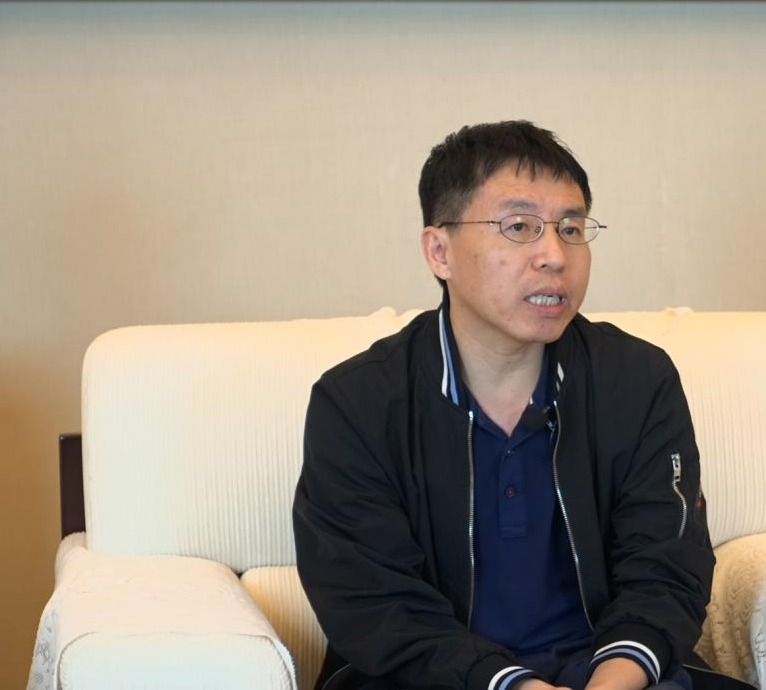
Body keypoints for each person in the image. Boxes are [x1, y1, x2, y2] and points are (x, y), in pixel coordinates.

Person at [293, 121, 715, 690]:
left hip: (613, 674)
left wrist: (613, 682)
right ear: (439, 251)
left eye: (571, 228)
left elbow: (667, 570)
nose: (555, 255)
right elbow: (377, 606)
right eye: (519, 227)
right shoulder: (356, 404)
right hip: (434, 682)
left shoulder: (639, 381)